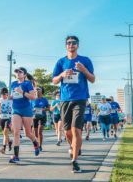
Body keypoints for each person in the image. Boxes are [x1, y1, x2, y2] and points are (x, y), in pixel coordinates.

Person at [52, 35, 95, 173]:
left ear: (78, 45)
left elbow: (93, 79)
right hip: (65, 100)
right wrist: (62, 74)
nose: (71, 45)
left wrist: (84, 70)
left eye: (74, 43)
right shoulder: (61, 62)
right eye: (69, 43)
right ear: (66, 46)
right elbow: (54, 80)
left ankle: (74, 161)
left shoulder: (85, 60)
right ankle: (75, 146)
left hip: (80, 98)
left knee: (76, 130)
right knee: (67, 132)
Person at [9, 67, 40, 164]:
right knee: (16, 132)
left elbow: (33, 97)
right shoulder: (13, 84)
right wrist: (9, 97)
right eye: (16, 72)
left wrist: (22, 92)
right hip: (16, 109)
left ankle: (35, 143)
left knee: (28, 133)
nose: (18, 73)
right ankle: (16, 156)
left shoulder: (27, 84)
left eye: (20, 72)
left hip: (26, 110)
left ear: (24, 74)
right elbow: (12, 96)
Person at [0, 87, 13, 154]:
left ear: (7, 93)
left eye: (5, 94)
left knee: (5, 131)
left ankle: (4, 148)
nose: (3, 96)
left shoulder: (11, 100)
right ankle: (10, 141)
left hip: (9, 117)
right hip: (1, 118)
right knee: (4, 133)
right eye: (2, 94)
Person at [32, 87, 50, 151]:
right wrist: (32, 110)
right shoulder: (32, 99)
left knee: (40, 131)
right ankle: (37, 142)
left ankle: (40, 146)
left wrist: (44, 109)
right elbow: (29, 108)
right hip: (34, 117)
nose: (37, 92)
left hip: (42, 116)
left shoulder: (44, 99)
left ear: (41, 92)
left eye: (38, 90)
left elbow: (48, 108)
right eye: (36, 91)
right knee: (36, 133)